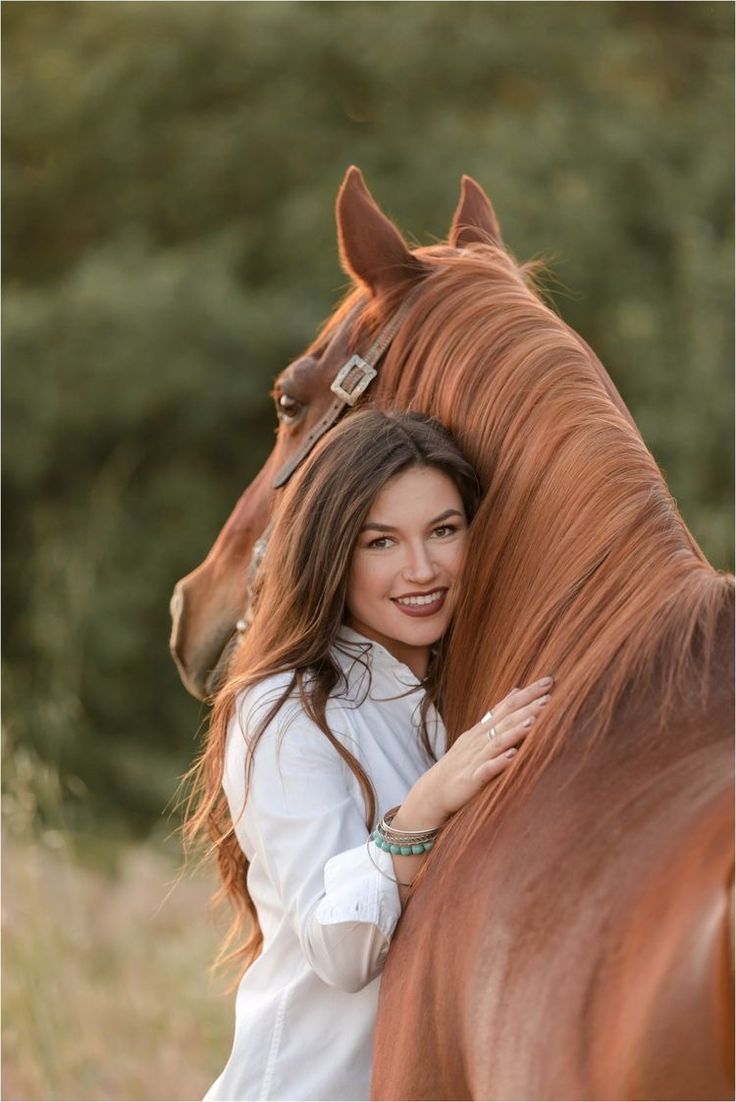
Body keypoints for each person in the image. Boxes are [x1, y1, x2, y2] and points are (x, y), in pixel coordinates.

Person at [183, 409, 553, 1102]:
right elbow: (340, 952)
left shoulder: (465, 701)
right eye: (380, 542)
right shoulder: (285, 709)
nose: (422, 569)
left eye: (444, 531)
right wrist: (424, 808)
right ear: (332, 554)